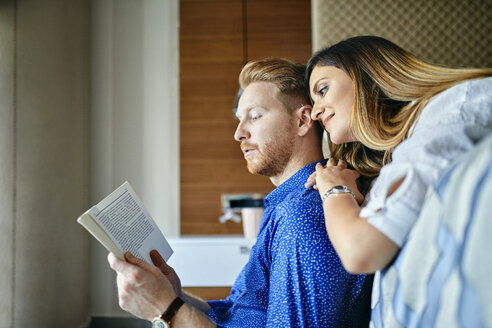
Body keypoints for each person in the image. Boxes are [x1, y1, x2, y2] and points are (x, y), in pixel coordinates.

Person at [108, 58, 373, 327]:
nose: (238, 133)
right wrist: (175, 294)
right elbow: (240, 312)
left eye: (254, 116)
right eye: (239, 119)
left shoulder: (301, 216)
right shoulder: (283, 206)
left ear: (303, 120)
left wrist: (165, 309)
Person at [304, 35, 492, 274]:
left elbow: (360, 252)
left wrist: (335, 189)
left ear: (369, 76)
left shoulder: (449, 112)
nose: (315, 113)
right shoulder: (398, 156)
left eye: (323, 89)